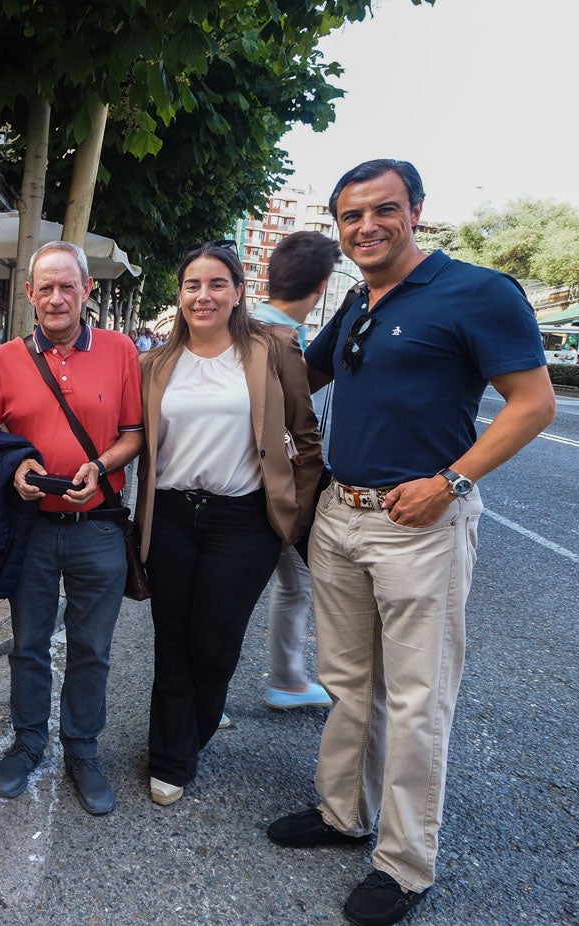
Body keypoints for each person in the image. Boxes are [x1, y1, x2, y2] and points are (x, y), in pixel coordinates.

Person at [267, 160, 555, 926]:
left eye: (382, 210)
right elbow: (302, 373)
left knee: (418, 699)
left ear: (416, 211)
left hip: (419, 522)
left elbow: (532, 405)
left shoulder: (477, 292)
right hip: (340, 517)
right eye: (351, 215)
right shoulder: (361, 298)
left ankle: (402, 864)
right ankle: (341, 816)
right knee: (348, 684)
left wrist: (450, 483)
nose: (366, 226)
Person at [134, 243, 322, 808]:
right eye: (192, 285)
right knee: (172, 640)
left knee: (214, 645)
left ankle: (197, 726)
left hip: (243, 522)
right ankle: (170, 755)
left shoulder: (272, 353)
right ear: (180, 295)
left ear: (238, 292)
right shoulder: (155, 364)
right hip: (168, 515)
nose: (203, 295)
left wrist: (290, 519)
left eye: (217, 284)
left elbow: (306, 441)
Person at [0, 240, 143, 816]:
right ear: (30, 294)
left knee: (93, 649)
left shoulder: (121, 351)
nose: (57, 297)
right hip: (31, 531)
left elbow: (134, 434)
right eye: (46, 287)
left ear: (86, 290)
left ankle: (83, 749)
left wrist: (103, 466)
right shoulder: (4, 359)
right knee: (28, 646)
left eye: (68, 285)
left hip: (98, 527)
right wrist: (15, 467)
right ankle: (28, 742)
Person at [250, 230, 343, 711]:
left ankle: (285, 678)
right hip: (267, 490)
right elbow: (301, 434)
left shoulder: (254, 328)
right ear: (323, 285)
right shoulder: (279, 339)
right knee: (247, 586)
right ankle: (279, 680)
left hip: (248, 487)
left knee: (287, 581)